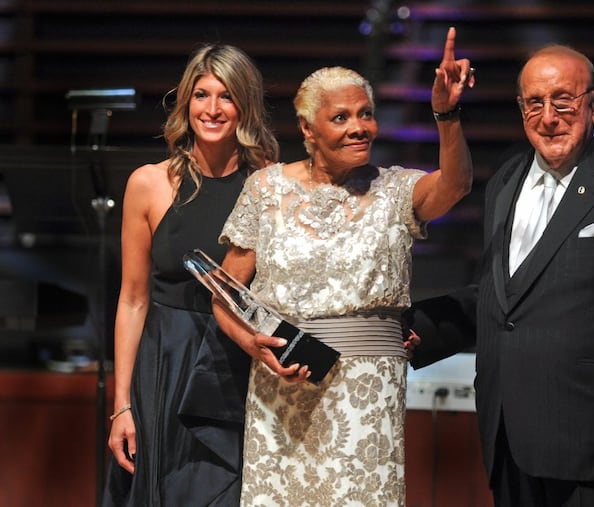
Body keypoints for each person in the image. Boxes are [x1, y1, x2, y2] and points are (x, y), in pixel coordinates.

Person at [406, 44, 594, 506]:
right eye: (534, 103)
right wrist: (420, 328)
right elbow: (505, 296)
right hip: (507, 437)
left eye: (563, 101)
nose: (548, 117)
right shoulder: (506, 179)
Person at [211, 27, 473, 506]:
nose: (359, 126)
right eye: (341, 117)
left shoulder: (394, 190)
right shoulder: (267, 189)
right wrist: (255, 345)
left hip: (366, 393)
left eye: (365, 114)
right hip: (281, 390)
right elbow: (225, 293)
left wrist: (447, 115)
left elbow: (454, 186)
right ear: (309, 130)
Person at [103, 44, 279, 506]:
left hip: (236, 365)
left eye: (227, 96)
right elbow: (133, 299)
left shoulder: (270, 185)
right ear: (186, 102)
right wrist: (121, 404)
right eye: (202, 94)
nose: (213, 109)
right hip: (164, 365)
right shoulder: (149, 183)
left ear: (245, 105)